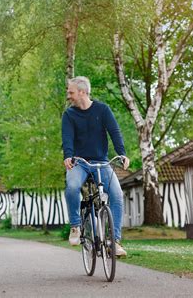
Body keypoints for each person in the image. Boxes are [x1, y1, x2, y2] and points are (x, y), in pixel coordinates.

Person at [61, 76, 130, 257]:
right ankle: (75, 226)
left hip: (101, 162)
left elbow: (115, 132)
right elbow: (67, 138)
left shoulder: (102, 110)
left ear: (82, 92)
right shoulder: (69, 115)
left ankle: (114, 241)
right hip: (79, 163)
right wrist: (68, 156)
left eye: (71, 92)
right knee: (73, 187)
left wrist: (122, 153)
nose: (68, 95)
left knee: (116, 195)